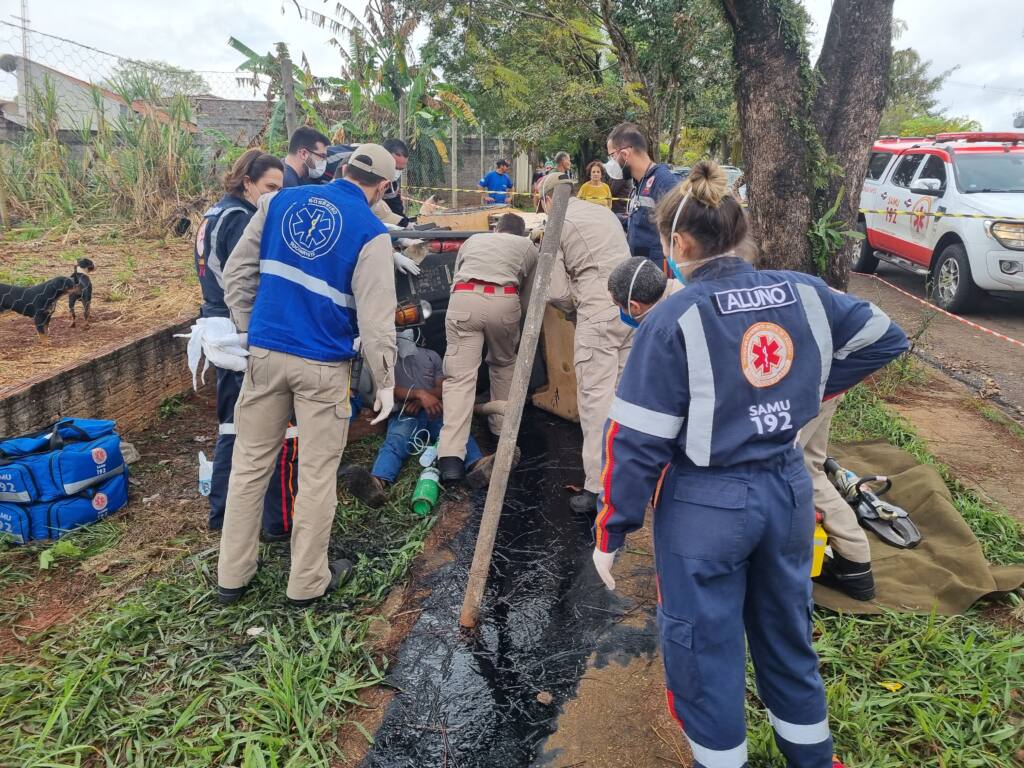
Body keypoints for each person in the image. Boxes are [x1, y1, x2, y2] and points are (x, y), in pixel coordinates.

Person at [592, 161, 908, 768]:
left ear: (678, 244)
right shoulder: (807, 292)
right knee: (788, 639)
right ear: (737, 233)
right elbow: (885, 336)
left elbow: (635, 441)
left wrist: (612, 529)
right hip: (788, 493)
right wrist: (807, 390)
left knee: (703, 653)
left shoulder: (671, 320)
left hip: (705, 506)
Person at [218, 144, 399, 608]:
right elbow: (378, 321)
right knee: (317, 475)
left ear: (340, 169)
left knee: (249, 465)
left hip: (265, 353)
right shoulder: (371, 231)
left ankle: (232, 578)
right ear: (381, 188)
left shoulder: (277, 202)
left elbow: (237, 271)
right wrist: (385, 382)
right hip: (322, 366)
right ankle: (306, 584)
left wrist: (247, 327)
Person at [193, 150, 297, 539]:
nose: (274, 196)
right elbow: (247, 278)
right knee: (263, 428)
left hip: (216, 324)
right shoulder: (242, 219)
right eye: (269, 187)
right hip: (238, 331)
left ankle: (222, 513)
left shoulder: (214, 214)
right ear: (247, 182)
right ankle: (273, 522)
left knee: (232, 425)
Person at [536, 173, 632, 514]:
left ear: (547, 200)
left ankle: (596, 489)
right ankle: (627, 480)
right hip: (632, 307)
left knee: (595, 403)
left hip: (598, 311)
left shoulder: (556, 223)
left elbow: (558, 292)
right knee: (623, 399)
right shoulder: (603, 212)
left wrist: (577, 304)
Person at [341, 331, 504, 505]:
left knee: (455, 430)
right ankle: (376, 483)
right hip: (405, 412)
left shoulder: (432, 356)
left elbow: (442, 387)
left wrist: (422, 399)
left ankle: (478, 466)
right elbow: (387, 388)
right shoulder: (388, 359)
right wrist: (418, 395)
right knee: (397, 440)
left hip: (434, 410)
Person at [436, 213, 538, 481]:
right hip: (504, 301)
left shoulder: (474, 239)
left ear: (497, 229)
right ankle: (502, 435)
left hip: (464, 298)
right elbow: (529, 295)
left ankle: (450, 460)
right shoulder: (528, 247)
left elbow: (456, 276)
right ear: (521, 233)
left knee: (459, 378)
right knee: (503, 364)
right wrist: (518, 320)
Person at [802, 395, 876, 600]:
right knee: (808, 467)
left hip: (796, 389)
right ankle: (855, 565)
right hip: (824, 385)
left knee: (772, 469)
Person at [606, 122, 679, 267]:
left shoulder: (663, 182)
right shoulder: (639, 183)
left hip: (660, 274)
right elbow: (642, 223)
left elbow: (679, 232)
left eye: (612, 156)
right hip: (642, 270)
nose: (611, 162)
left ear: (625, 154)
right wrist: (609, 217)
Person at [606, 256, 681, 327]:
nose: (622, 312)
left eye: (619, 306)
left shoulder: (660, 331)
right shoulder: (687, 287)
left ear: (635, 307)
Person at [381, 138, 409, 219]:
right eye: (395, 168)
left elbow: (397, 211)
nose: (396, 172)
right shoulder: (365, 178)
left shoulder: (392, 186)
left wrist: (406, 224)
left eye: (400, 169)